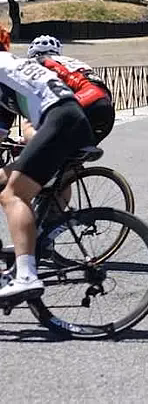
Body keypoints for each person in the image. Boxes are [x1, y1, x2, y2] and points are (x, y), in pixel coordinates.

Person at [0, 27, 96, 302]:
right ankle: (25, 253)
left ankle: (26, 275)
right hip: (67, 119)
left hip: (61, 121)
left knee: (13, 194)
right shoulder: (11, 65)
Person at [24, 35, 115, 144]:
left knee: (31, 123)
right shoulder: (72, 61)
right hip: (105, 103)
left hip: (86, 98)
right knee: (67, 153)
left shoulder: (39, 61)